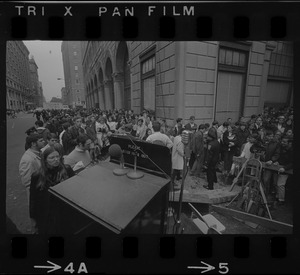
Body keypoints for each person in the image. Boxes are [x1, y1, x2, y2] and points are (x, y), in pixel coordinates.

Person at [30, 147, 74, 234]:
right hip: (47, 215)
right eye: (52, 158)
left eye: (58, 156)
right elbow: (33, 199)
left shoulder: (67, 170)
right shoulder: (37, 176)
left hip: (65, 212)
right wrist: (33, 218)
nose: (56, 159)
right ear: (45, 160)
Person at [19, 133, 46, 202]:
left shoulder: (39, 152)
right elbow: (27, 182)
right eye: (41, 141)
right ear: (33, 144)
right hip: (37, 194)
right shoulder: (28, 160)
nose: (44, 142)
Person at [272, 136, 293, 205]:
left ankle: (281, 200)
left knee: (280, 184)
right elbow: (280, 158)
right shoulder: (281, 148)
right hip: (279, 168)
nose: (282, 143)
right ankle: (277, 197)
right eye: (282, 141)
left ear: (289, 143)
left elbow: (292, 162)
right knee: (276, 184)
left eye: (284, 142)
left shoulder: (292, 151)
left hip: (286, 170)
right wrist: (277, 162)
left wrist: (285, 168)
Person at [262, 130, 280, 197]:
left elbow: (277, 154)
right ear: (266, 136)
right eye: (269, 136)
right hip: (264, 164)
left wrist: (272, 160)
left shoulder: (276, 143)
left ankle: (275, 197)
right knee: (265, 180)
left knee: (275, 182)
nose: (271, 137)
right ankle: (265, 195)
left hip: (272, 164)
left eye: (272, 136)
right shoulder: (264, 142)